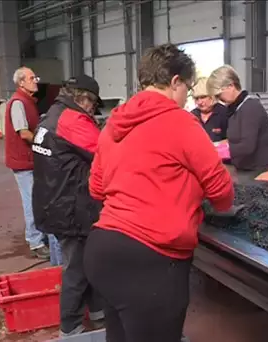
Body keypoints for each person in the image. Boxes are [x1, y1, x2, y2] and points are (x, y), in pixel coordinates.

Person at [85, 44, 235, 342]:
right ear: (175, 81)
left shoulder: (115, 123)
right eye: (188, 89)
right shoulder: (180, 122)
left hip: (103, 252)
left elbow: (96, 188)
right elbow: (221, 189)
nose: (187, 98)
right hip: (151, 260)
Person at [31, 75, 105, 337]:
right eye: (93, 106)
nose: (92, 111)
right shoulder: (72, 120)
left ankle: (98, 312)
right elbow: (105, 151)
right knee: (77, 268)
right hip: (71, 207)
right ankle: (70, 328)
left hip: (55, 200)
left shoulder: (53, 113)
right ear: (85, 99)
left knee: (89, 261)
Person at [4, 67, 49, 259]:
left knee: (38, 198)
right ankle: (35, 241)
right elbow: (23, 132)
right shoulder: (17, 104)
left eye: (35, 77)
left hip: (30, 160)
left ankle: (39, 234)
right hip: (22, 162)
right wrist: (45, 143)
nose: (36, 80)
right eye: (32, 78)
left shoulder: (29, 101)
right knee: (31, 201)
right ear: (21, 83)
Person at [206, 65, 268, 174]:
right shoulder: (233, 110)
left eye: (219, 95)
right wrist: (213, 146)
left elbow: (246, 147)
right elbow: (233, 140)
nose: (218, 99)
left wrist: (216, 152)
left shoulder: (251, 107)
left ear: (231, 85)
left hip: (261, 170)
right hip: (245, 169)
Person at [190, 77, 228, 142]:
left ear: (212, 96)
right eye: (197, 98)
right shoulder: (192, 115)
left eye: (203, 97)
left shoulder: (224, 113)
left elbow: (232, 140)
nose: (199, 102)